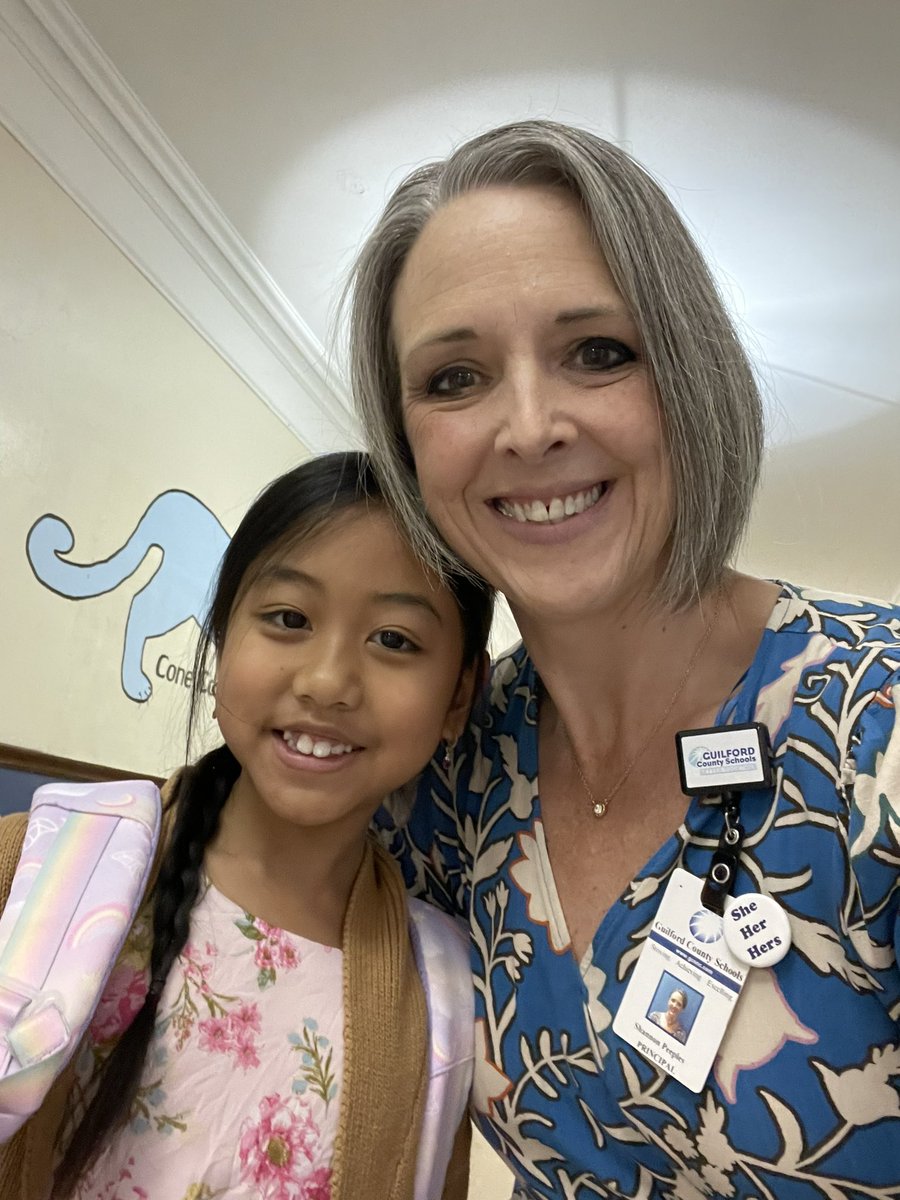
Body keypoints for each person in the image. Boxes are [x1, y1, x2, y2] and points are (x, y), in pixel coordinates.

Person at [347, 119, 900, 1199]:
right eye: (454, 378)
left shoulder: (874, 717)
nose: (529, 425)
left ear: (688, 374)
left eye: (598, 352)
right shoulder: (443, 779)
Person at [0, 451, 493, 1199]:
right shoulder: (33, 870)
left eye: (394, 639)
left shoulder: (444, 1007)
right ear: (224, 633)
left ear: (460, 694)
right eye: (289, 619)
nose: (327, 681)